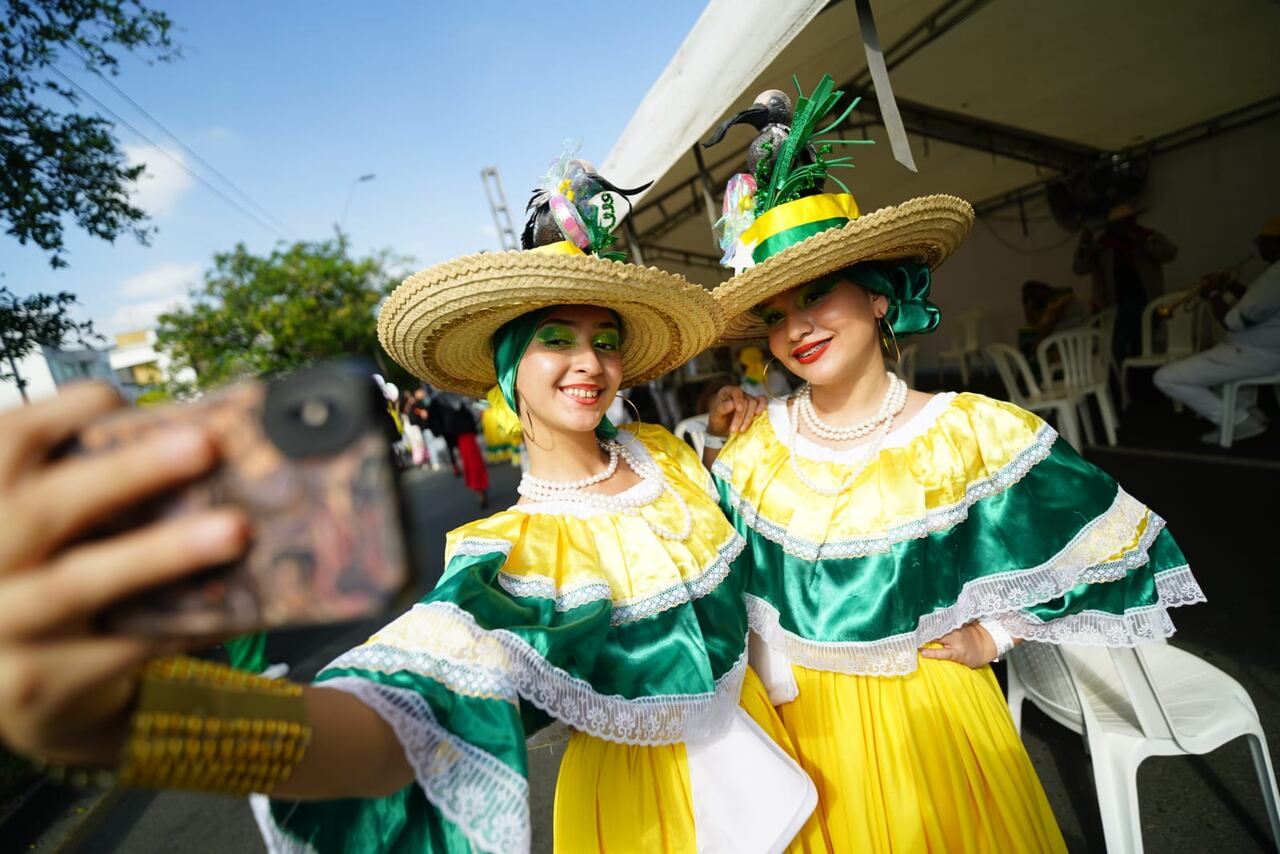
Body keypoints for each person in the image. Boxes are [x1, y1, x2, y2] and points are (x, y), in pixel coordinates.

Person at [0, 155, 822, 854]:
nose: (589, 363)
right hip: (654, 819)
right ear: (505, 370)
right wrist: (147, 722)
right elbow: (399, 714)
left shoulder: (674, 457)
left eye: (606, 342)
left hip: (793, 759)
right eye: (555, 340)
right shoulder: (510, 549)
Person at [701, 75, 1205, 852]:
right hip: (802, 739)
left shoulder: (970, 433)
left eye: (819, 293)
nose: (796, 327)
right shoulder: (753, 454)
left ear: (878, 296)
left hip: (934, 731)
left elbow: (1105, 545)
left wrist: (998, 635)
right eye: (774, 314)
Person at [1154, 216, 1280, 443]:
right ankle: (1250, 412)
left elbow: (1232, 322)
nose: (1259, 246)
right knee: (1212, 366)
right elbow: (1259, 305)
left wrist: (1212, 294)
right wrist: (1231, 285)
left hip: (1256, 353)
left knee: (1165, 378)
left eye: (1263, 241)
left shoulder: (1275, 276)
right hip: (1264, 350)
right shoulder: (1274, 274)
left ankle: (1238, 421)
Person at [1073, 203, 1178, 361]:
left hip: (1147, 301)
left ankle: (1142, 380)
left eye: (1127, 222)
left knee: (1145, 347)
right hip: (1115, 307)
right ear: (1112, 226)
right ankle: (1124, 381)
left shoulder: (1146, 236)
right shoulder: (1102, 246)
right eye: (1119, 224)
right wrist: (1084, 244)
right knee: (1118, 349)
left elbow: (1169, 253)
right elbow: (1079, 268)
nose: (1124, 227)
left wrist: (1145, 243)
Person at [1019, 279, 1089, 360]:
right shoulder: (1059, 297)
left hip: (1076, 344)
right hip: (1082, 340)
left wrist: (1028, 309)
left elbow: (1044, 328)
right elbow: (1035, 325)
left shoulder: (1057, 301)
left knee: (1040, 348)